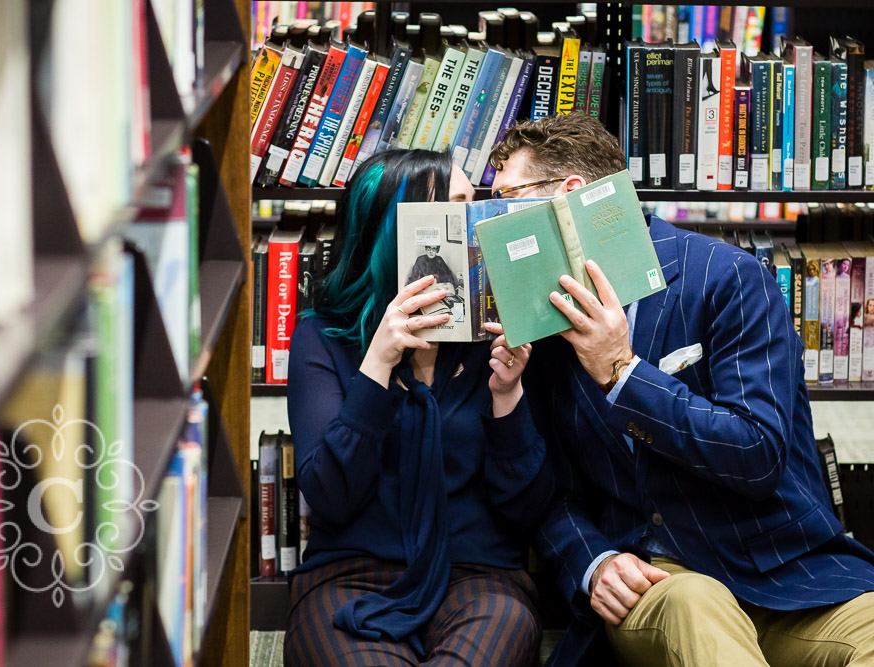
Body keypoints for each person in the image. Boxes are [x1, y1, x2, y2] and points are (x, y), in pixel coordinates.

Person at [488, 114, 874, 667]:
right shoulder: (541, 323)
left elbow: (758, 454)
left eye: (507, 199)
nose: (495, 221)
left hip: (786, 570)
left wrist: (622, 371)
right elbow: (549, 494)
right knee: (696, 607)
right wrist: (593, 561)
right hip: (661, 578)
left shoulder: (728, 278)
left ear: (568, 198)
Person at [284, 149, 554, 667]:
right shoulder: (323, 338)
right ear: (399, 231)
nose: (475, 229)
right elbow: (330, 497)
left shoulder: (501, 337)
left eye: (476, 208)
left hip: (479, 576)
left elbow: (527, 510)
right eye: (456, 211)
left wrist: (507, 397)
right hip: (352, 576)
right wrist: (378, 365)